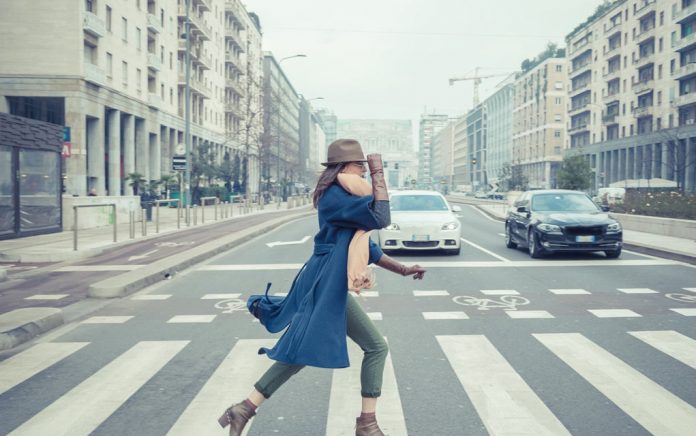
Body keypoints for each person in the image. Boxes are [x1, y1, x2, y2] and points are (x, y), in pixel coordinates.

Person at [218, 139, 427, 436]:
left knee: (316, 350)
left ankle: (245, 408)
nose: (365, 173)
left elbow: (367, 246)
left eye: (367, 170)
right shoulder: (334, 198)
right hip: (323, 283)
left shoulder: (345, 198)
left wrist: (404, 269)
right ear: (343, 168)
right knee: (367, 347)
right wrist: (380, 173)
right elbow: (381, 216)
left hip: (329, 283)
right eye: (361, 167)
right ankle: (366, 425)